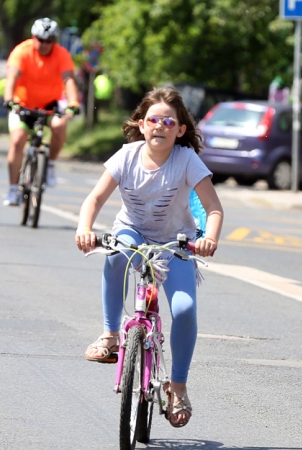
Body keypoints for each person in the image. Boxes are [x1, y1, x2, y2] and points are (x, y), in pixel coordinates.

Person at [74, 86, 224, 428]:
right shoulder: (126, 156)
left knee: (184, 309)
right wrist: (85, 228)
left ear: (180, 130)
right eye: (153, 119)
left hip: (176, 244)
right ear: (141, 124)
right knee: (116, 255)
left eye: (168, 122)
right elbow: (94, 199)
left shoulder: (186, 161)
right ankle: (111, 336)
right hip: (133, 233)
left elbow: (214, 208)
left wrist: (209, 239)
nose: (160, 126)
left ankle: (178, 387)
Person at [1, 17, 80, 206]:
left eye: (49, 40)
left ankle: (50, 163)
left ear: (54, 41)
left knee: (60, 125)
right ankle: (13, 189)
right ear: (33, 37)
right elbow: (11, 77)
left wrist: (73, 102)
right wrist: (9, 99)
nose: (44, 44)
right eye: (40, 39)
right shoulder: (22, 51)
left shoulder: (61, 54)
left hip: (49, 104)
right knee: (18, 140)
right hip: (22, 104)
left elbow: (68, 79)